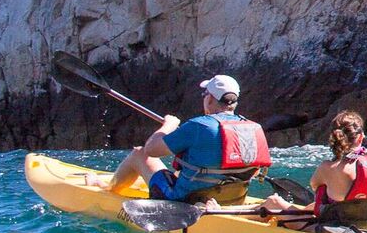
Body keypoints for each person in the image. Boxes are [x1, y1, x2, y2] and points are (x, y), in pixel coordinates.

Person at [96, 74, 271, 205]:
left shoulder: (198, 126)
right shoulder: (254, 128)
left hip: (184, 201)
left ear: (210, 98)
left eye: (205, 94)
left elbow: (151, 150)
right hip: (233, 198)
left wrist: (169, 125)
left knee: (139, 153)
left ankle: (109, 189)